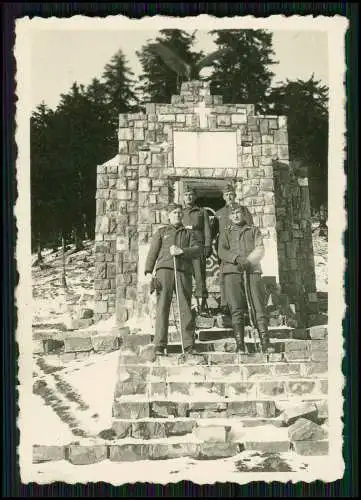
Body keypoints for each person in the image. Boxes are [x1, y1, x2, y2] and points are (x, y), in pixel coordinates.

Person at [144, 203, 201, 356]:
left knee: (185, 308)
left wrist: (182, 251)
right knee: (163, 307)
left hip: (183, 271)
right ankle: (160, 344)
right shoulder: (162, 232)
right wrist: (149, 271)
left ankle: (189, 345)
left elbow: (197, 250)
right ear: (168, 215)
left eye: (180, 213)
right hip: (164, 271)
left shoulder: (189, 233)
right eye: (175, 213)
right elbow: (152, 253)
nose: (178, 215)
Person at [218, 204, 273, 354]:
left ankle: (265, 342)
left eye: (238, 213)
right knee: (236, 308)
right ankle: (240, 344)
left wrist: (248, 261)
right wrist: (236, 258)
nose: (236, 216)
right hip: (232, 272)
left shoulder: (253, 230)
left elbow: (260, 248)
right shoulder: (225, 232)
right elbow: (221, 251)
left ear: (243, 214)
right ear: (229, 217)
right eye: (233, 213)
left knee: (258, 307)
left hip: (252, 271)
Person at [215, 183, 253, 313]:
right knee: (224, 276)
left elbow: (249, 227)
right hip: (225, 248)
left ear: (235, 195)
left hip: (241, 247)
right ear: (223, 197)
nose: (229, 196)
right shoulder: (219, 213)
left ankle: (243, 304)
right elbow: (215, 231)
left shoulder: (243, 210)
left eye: (231, 194)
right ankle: (225, 304)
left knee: (241, 275)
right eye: (226, 195)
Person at [182, 186, 212, 314]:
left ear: (194, 197)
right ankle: (186, 306)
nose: (188, 197)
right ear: (183, 197)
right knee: (184, 276)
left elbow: (207, 230)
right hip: (183, 248)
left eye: (191, 195)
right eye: (186, 194)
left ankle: (202, 307)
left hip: (197, 247)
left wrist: (207, 246)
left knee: (199, 276)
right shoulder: (180, 212)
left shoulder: (201, 212)